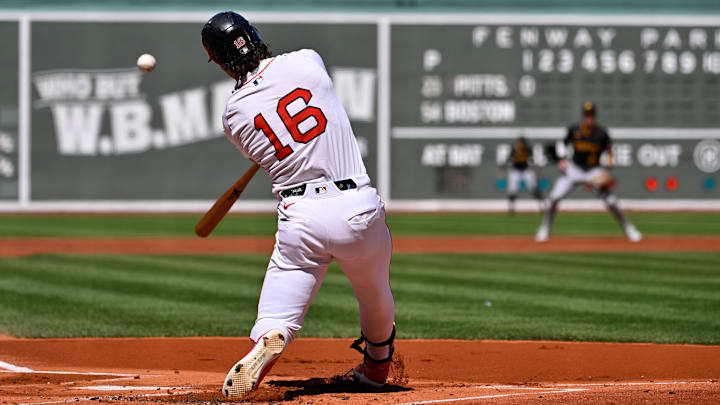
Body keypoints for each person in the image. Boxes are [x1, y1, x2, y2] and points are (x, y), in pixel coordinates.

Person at [201, 11, 396, 398]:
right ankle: (377, 366)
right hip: (356, 205)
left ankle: (272, 334)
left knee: (281, 298)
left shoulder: (233, 117)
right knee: (374, 292)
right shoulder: (307, 60)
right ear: (254, 37)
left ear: (221, 62)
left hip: (300, 216)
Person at [535, 102, 642, 242]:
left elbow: (610, 152)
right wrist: (562, 159)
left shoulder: (601, 133)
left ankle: (628, 228)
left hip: (594, 171)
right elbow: (562, 144)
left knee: (611, 201)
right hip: (575, 169)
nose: (589, 118)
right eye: (586, 115)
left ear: (594, 116)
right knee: (554, 198)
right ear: (583, 116)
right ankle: (545, 228)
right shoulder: (575, 130)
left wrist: (608, 169)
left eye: (591, 115)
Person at [501, 136, 543, 215]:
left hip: (526, 170)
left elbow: (533, 161)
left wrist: (537, 172)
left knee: (533, 188)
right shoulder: (514, 150)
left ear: (524, 143)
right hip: (515, 171)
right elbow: (507, 160)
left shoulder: (527, 150)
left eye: (521, 143)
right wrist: (502, 169)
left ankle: (541, 206)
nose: (520, 144)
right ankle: (511, 208)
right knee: (512, 190)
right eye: (519, 142)